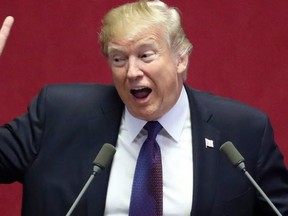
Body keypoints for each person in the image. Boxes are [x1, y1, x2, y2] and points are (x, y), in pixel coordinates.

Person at [1, 0, 288, 215]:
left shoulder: (243, 131)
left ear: (181, 59)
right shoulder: (58, 114)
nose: (132, 72)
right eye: (118, 59)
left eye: (146, 55)